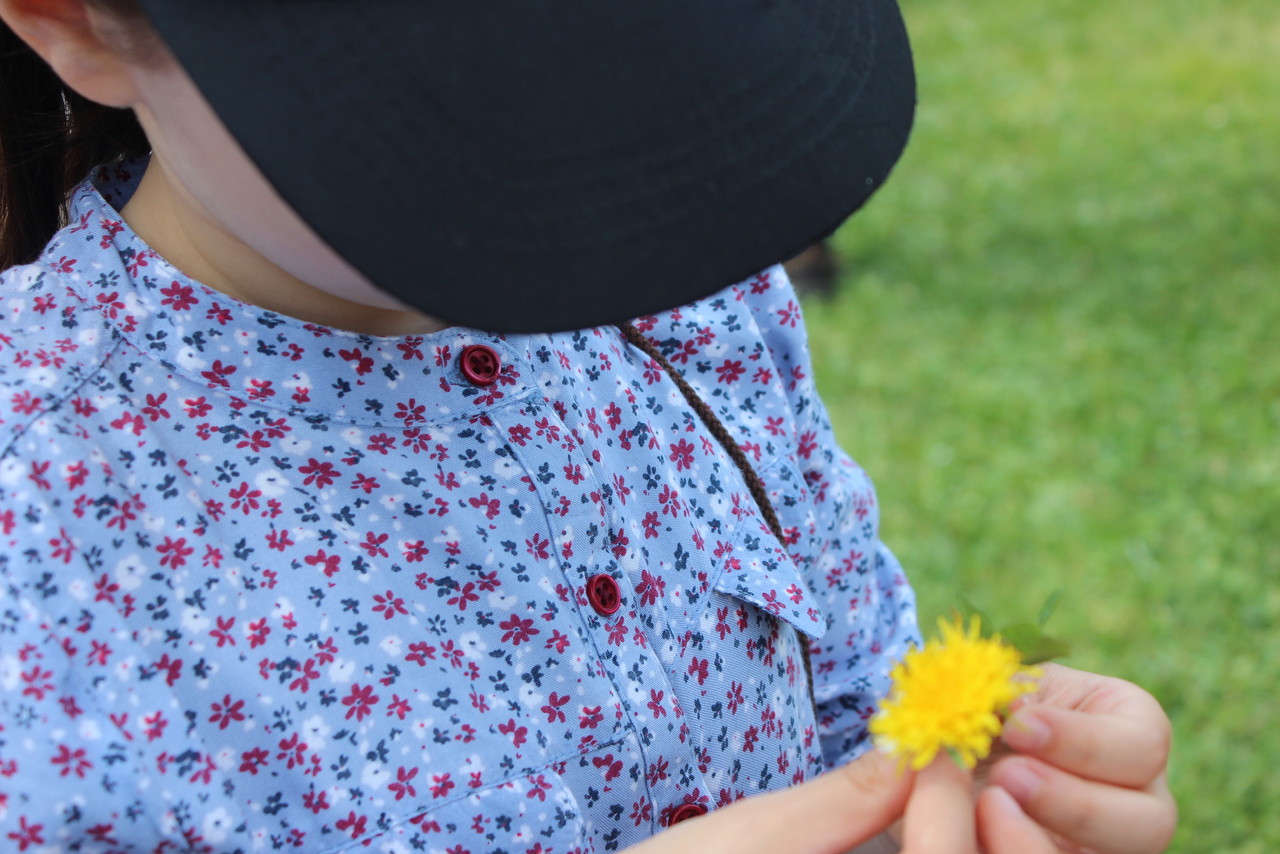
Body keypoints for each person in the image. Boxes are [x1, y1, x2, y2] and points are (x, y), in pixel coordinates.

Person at [0, 1, 1175, 852]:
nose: (568, 146)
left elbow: (850, 699)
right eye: (443, 84)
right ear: (81, 23)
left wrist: (972, 790)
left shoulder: (687, 290)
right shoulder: (42, 525)